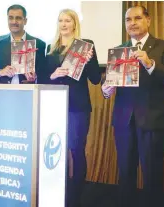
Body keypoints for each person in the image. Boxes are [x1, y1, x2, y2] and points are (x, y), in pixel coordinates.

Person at [102, 6, 164, 207]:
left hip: (153, 119)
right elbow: (109, 86)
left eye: (137, 18)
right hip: (124, 120)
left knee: (152, 174)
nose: (132, 23)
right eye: (128, 19)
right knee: (125, 173)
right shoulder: (119, 50)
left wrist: (150, 63)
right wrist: (106, 89)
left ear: (148, 20)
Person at [45, 9, 101, 207]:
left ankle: (75, 198)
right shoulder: (50, 49)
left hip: (78, 107)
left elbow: (96, 79)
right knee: (57, 151)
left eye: (68, 20)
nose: (64, 24)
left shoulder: (86, 46)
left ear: (75, 23)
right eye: (60, 20)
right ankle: (56, 192)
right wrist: (53, 75)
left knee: (77, 150)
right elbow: (43, 79)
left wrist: (88, 61)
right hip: (54, 107)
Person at [0, 4, 46, 84]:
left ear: (25, 21)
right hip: (2, 92)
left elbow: (44, 72)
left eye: (18, 18)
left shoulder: (39, 44)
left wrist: (35, 77)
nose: (14, 22)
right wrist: (0, 72)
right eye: (11, 18)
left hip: (29, 92)